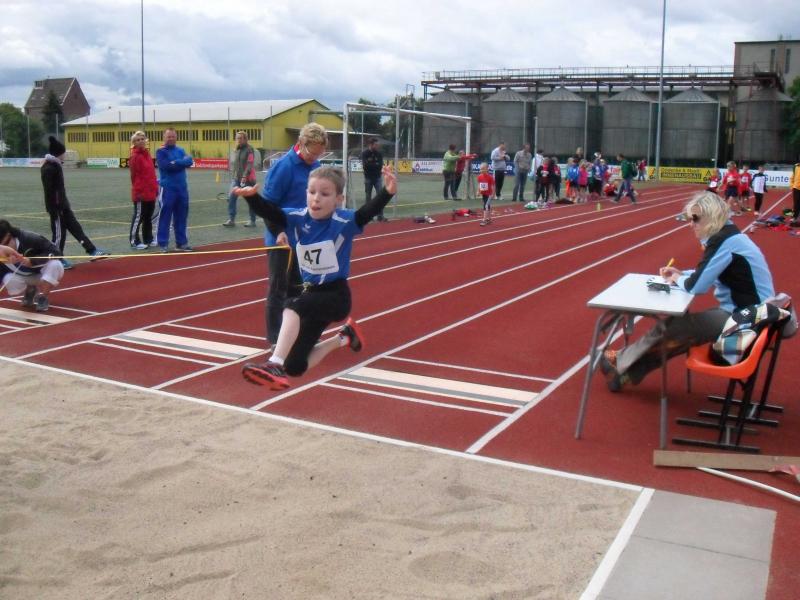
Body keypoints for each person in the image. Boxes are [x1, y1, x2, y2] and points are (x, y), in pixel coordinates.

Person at [234, 165, 397, 390]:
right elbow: (271, 212)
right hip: (312, 295)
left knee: (292, 305)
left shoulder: (344, 222)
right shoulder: (297, 218)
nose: (316, 198)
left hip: (336, 296)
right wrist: (252, 197)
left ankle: (274, 363)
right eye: (311, 192)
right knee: (295, 366)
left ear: (338, 199)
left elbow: (366, 213)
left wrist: (387, 192)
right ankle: (345, 337)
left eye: (324, 194)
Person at [601, 191, 775, 391]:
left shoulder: (723, 241)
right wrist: (682, 274)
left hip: (748, 319)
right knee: (679, 332)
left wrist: (678, 278)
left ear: (712, 216)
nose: (691, 224)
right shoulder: (729, 236)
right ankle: (629, 373)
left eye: (695, 218)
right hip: (750, 313)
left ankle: (620, 361)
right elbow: (709, 273)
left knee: (676, 327)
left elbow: (696, 286)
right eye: (689, 218)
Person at [255, 122, 329, 349]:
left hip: (304, 239)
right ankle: (275, 339)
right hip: (281, 240)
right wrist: (278, 232)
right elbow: (267, 206)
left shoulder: (315, 167)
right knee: (278, 288)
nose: (314, 158)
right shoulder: (284, 167)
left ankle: (298, 333)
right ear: (301, 144)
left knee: (301, 289)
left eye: (318, 154)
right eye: (311, 153)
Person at [40, 135, 109, 268]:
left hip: (63, 205)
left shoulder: (56, 165)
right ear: (59, 153)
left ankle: (92, 250)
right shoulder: (49, 168)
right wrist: (55, 208)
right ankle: (56, 259)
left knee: (75, 227)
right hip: (56, 208)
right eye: (63, 153)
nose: (65, 155)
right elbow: (50, 192)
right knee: (59, 234)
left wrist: (63, 203)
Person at [0, 219, 65, 313]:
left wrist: (32, 261)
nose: (4, 249)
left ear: (10, 235)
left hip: (42, 272)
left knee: (55, 264)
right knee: (8, 279)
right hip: (26, 275)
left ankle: (43, 297)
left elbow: (57, 252)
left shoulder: (29, 238)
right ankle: (30, 289)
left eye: (5, 244)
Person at [155, 128, 194, 252]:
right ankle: (163, 243)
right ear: (164, 138)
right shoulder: (161, 152)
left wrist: (176, 162)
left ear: (176, 137)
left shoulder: (180, 150)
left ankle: (181, 243)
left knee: (181, 217)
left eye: (173, 136)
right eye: (168, 136)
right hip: (168, 188)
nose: (171, 139)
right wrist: (182, 162)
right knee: (165, 216)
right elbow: (166, 166)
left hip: (182, 188)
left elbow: (190, 161)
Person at [128, 131, 159, 249]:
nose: (141, 141)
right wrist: (138, 191)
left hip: (150, 192)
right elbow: (134, 176)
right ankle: (134, 241)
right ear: (134, 143)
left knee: (148, 217)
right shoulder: (135, 157)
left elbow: (151, 174)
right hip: (141, 193)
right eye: (138, 140)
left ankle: (148, 239)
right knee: (138, 217)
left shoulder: (147, 154)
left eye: (142, 139)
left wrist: (155, 188)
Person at [223, 131, 258, 228]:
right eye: (237, 138)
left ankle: (252, 220)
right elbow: (235, 165)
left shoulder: (249, 150)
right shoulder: (237, 150)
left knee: (251, 200)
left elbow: (250, 164)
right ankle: (231, 220)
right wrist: (234, 176)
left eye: (240, 138)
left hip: (248, 179)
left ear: (245, 139)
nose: (238, 140)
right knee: (231, 198)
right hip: (237, 179)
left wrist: (244, 176)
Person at [361, 137, 386, 220]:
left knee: (380, 196)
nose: (377, 146)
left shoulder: (379, 154)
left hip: (377, 177)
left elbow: (380, 165)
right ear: (370, 145)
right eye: (376, 144)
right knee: (368, 197)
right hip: (368, 178)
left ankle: (380, 216)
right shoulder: (365, 153)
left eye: (377, 144)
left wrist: (372, 165)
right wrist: (375, 165)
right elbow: (365, 166)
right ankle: (368, 215)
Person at [790, 158, 800, 227]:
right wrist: (792, 186)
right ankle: (794, 217)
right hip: (796, 188)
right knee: (796, 203)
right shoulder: (796, 166)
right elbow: (792, 177)